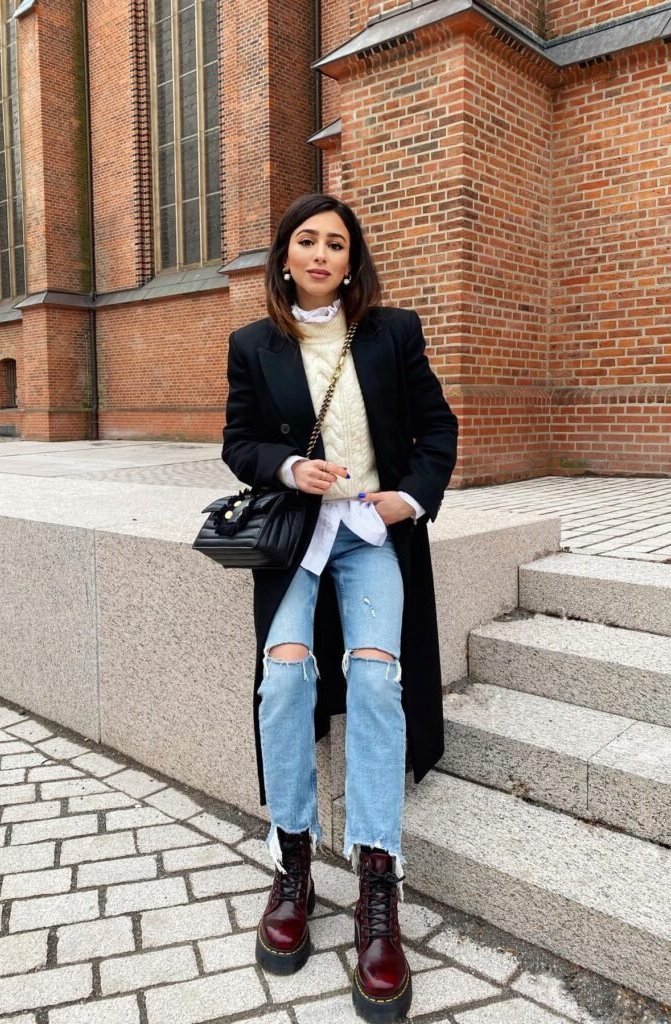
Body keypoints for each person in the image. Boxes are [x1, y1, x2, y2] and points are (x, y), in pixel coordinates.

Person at [221, 192, 458, 1022]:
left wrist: (409, 500)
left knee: (375, 678)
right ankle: (291, 863)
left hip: (369, 539)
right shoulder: (252, 344)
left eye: (336, 244)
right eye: (306, 240)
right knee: (282, 678)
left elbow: (438, 431)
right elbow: (239, 443)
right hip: (294, 538)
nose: (320, 254)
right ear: (283, 255)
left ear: (351, 262)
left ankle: (376, 882)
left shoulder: (393, 332)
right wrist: (288, 468)